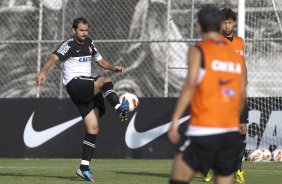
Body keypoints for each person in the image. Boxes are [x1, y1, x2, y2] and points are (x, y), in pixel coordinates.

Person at [35, 17, 129, 182]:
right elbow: (53, 58)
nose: (85, 33)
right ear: (74, 30)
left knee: (93, 128)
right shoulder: (68, 45)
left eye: (86, 30)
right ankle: (120, 108)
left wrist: (114, 67)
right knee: (105, 81)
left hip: (87, 87)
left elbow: (100, 61)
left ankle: (83, 167)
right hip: (75, 85)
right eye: (81, 30)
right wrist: (43, 71)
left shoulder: (90, 43)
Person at [168, 4, 246, 184]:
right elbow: (241, 93)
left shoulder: (199, 49)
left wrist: (175, 120)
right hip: (230, 132)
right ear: (219, 24)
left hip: (204, 129)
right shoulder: (235, 54)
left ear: (199, 25)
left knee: (178, 178)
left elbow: (189, 86)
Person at [203, 8, 248, 183]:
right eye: (224, 22)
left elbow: (243, 66)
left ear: (234, 23)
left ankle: (238, 169)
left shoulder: (240, 42)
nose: (227, 25)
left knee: (242, 129)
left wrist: (244, 86)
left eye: (230, 22)